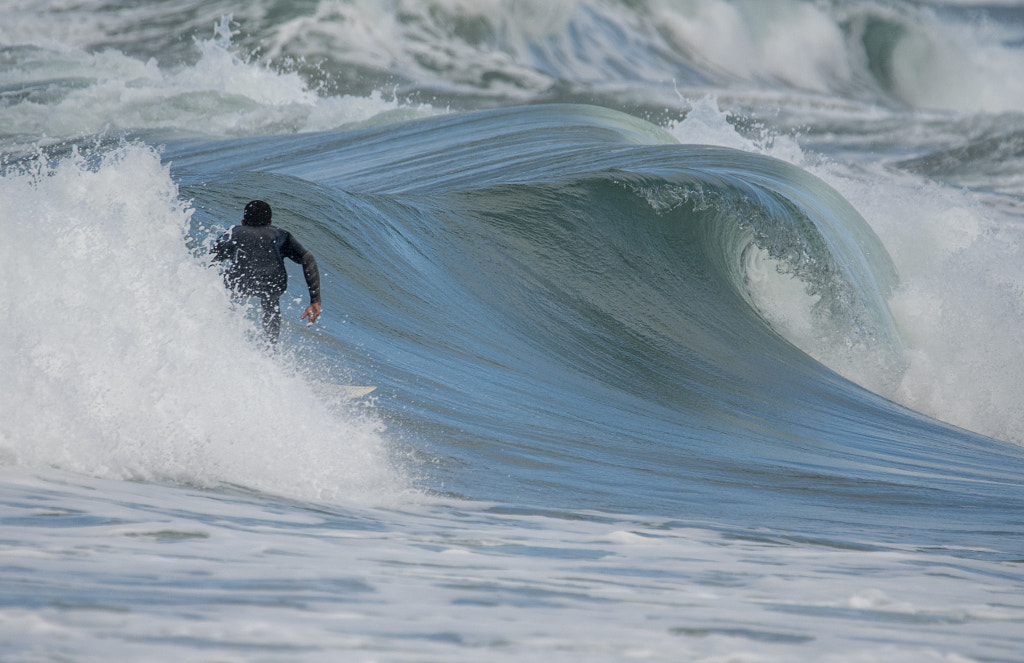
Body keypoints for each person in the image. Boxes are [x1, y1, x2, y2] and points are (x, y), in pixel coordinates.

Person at [210, 200, 321, 343]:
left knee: (224, 292)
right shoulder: (281, 234)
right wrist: (315, 300)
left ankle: (219, 334)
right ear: (270, 222)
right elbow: (308, 258)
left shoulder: (233, 232)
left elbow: (210, 261)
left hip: (240, 280)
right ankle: (271, 346)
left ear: (243, 222)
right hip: (273, 282)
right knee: (271, 304)